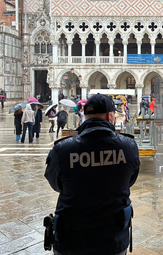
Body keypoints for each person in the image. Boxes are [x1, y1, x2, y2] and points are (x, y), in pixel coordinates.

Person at [45, 94, 140, 255]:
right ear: (110, 116)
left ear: (84, 116)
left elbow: (56, 184)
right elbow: (130, 180)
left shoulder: (62, 149)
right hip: (113, 240)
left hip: (71, 239)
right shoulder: (128, 146)